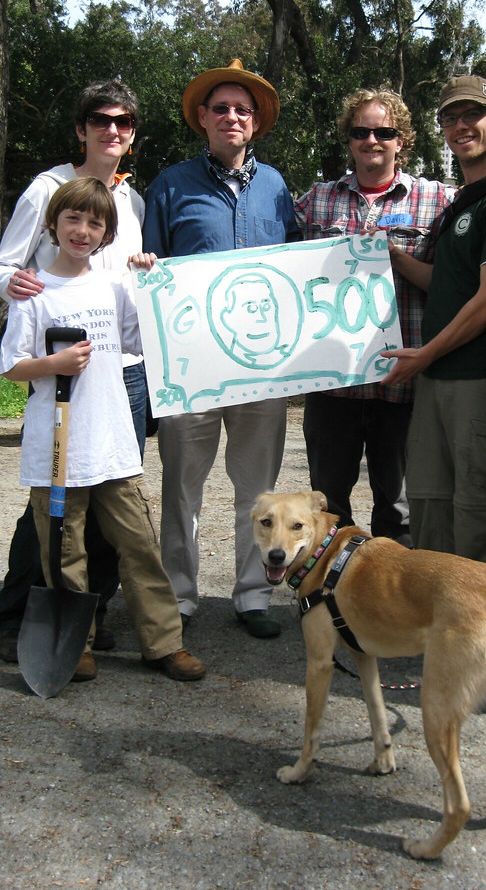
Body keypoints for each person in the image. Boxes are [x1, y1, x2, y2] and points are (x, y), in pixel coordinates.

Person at [0, 177, 205, 683]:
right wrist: (55, 362)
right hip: (56, 448)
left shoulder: (114, 287)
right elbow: (11, 366)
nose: (83, 230)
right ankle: (78, 640)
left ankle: (162, 643)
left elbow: (151, 335)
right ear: (53, 225)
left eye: (95, 222)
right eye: (72, 219)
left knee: (138, 546)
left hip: (111, 443)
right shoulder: (34, 291)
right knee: (64, 551)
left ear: (108, 234)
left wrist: (147, 280)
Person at [143, 58, 300, 638]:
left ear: (254, 123)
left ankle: (252, 593)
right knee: (182, 486)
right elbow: (149, 272)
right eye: (221, 108)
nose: (231, 116)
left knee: (256, 492)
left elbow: (293, 274)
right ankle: (179, 596)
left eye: (242, 109)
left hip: (262, 368)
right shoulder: (170, 185)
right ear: (202, 119)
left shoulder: (278, 186)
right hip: (191, 368)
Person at [0, 80, 147, 664]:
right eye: (100, 119)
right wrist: (16, 285)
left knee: (114, 497)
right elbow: (8, 263)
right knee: (55, 498)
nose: (112, 129)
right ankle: (17, 612)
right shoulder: (47, 188)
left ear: (132, 135)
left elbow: (132, 285)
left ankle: (93, 614)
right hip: (60, 367)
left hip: (122, 369)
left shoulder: (132, 201)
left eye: (124, 122)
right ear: (82, 128)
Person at [381, 75, 486, 581]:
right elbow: (446, 283)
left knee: (479, 506)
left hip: (477, 379)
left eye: (473, 114)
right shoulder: (460, 202)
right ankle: (436, 619)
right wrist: (393, 257)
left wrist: (424, 354)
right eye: (450, 118)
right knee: (429, 501)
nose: (461, 125)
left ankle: (485, 631)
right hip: (437, 380)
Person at [295, 86, 454, 544]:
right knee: (327, 509)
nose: (372, 140)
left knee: (399, 510)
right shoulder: (316, 201)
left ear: (401, 139)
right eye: (361, 131)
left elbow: (448, 282)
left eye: (384, 131)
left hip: (402, 385)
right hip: (334, 387)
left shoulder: (437, 199)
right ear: (349, 139)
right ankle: (331, 606)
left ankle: (393, 608)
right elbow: (271, 266)